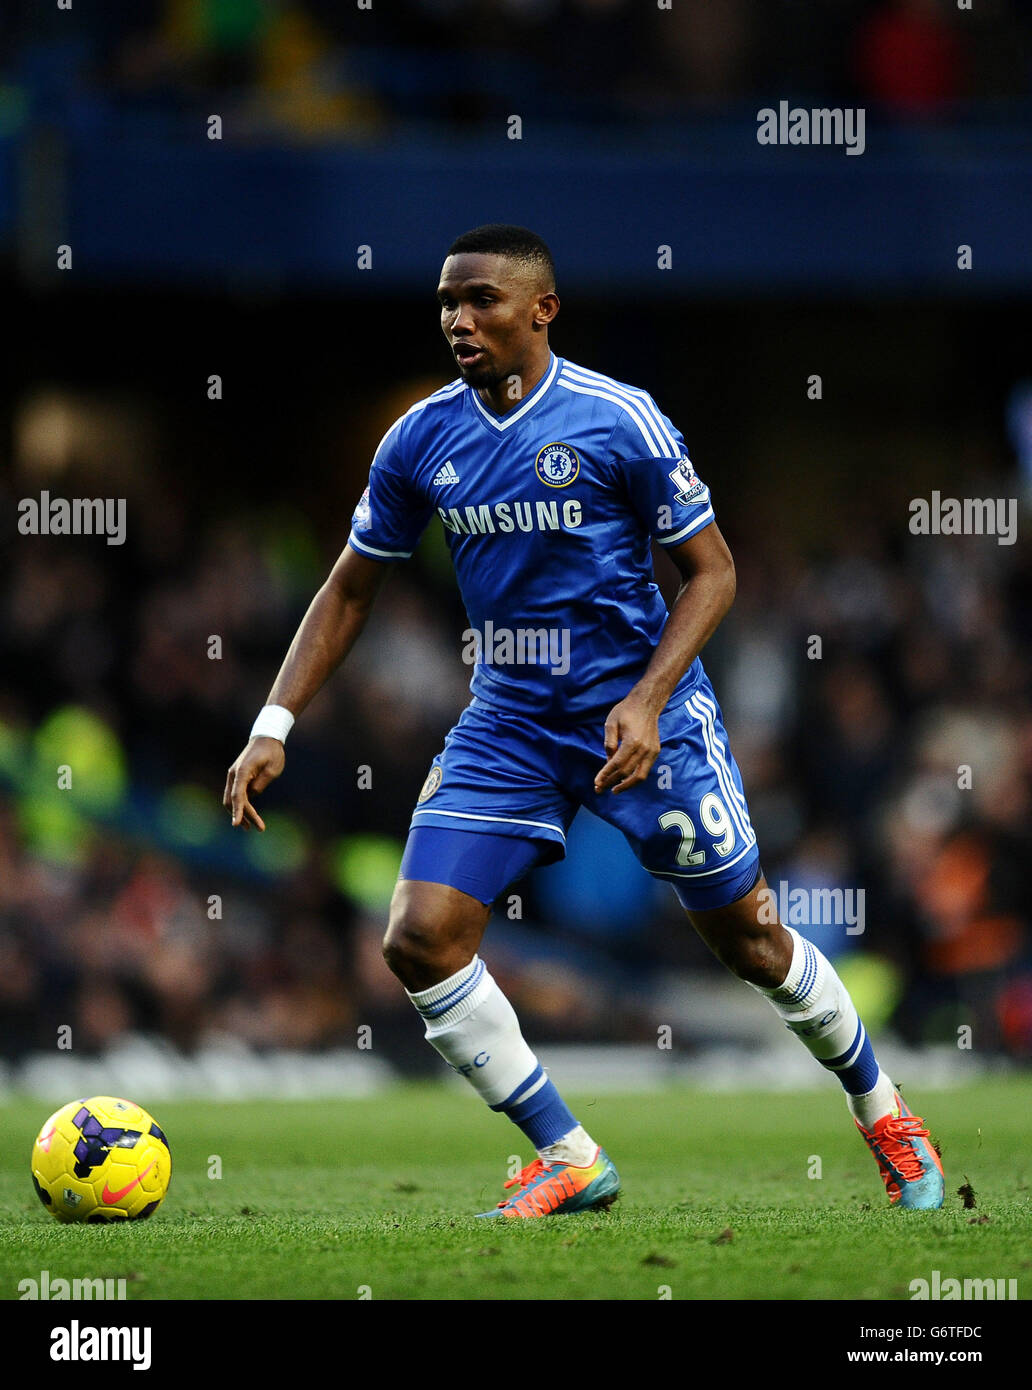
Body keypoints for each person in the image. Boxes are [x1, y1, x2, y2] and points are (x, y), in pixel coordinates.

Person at [223, 224, 944, 1218]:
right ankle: (566, 1151)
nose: (458, 320)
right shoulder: (419, 437)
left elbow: (714, 571)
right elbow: (350, 586)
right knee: (421, 936)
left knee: (752, 941)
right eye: (446, 302)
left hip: (643, 717)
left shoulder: (620, 421)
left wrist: (647, 698)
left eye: (481, 299)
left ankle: (884, 1108)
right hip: (507, 719)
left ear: (542, 309)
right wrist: (275, 722)